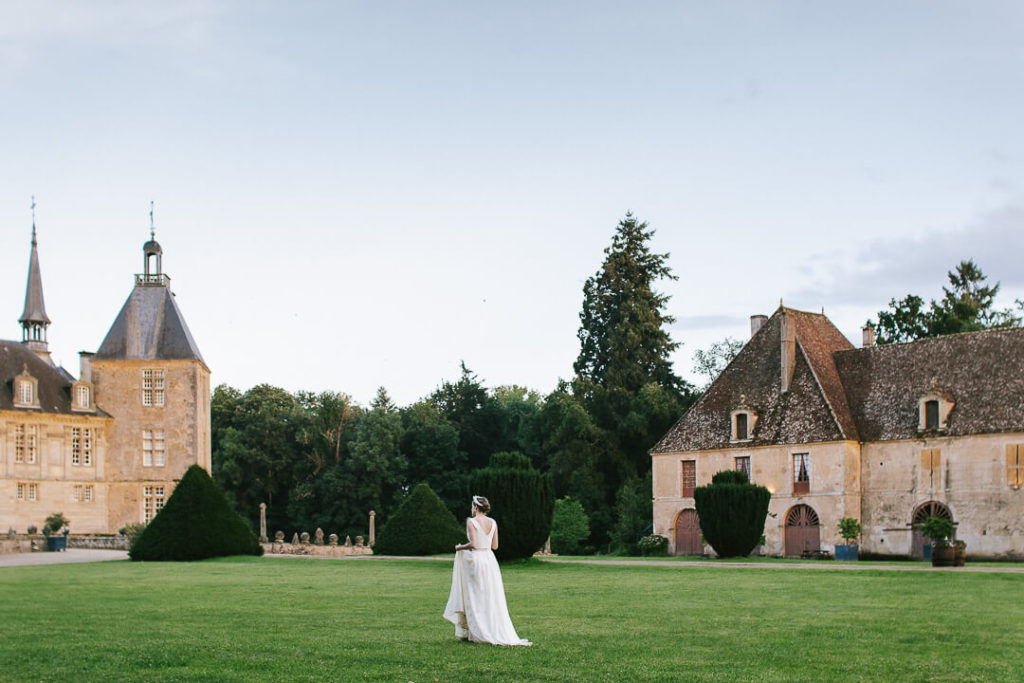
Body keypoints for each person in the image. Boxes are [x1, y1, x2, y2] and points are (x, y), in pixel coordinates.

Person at [443, 495, 531, 646]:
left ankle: (478, 631)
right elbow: (494, 546)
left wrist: (460, 547)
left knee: (476, 596)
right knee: (490, 595)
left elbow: (474, 544)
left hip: (477, 560)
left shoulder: (471, 522)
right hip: (490, 560)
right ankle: (485, 628)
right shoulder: (493, 522)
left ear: (476, 507)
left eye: (472, 506)